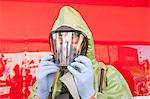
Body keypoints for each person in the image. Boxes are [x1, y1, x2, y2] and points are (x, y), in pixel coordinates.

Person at [29, 6, 133, 99]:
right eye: (60, 38)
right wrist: (40, 95)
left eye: (73, 38)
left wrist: (90, 96)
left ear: (85, 42)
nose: (65, 44)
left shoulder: (107, 76)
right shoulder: (48, 77)